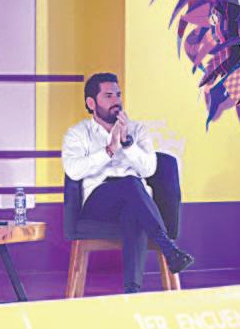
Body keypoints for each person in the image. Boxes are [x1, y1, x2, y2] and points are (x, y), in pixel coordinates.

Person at [62, 72, 194, 294]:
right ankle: (169, 249)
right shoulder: (77, 134)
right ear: (91, 103)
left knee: (133, 209)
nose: (116, 101)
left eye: (118, 94)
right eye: (108, 96)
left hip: (136, 201)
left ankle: (132, 292)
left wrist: (127, 143)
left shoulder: (137, 130)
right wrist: (110, 149)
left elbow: (149, 169)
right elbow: (74, 171)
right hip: (98, 203)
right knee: (130, 183)